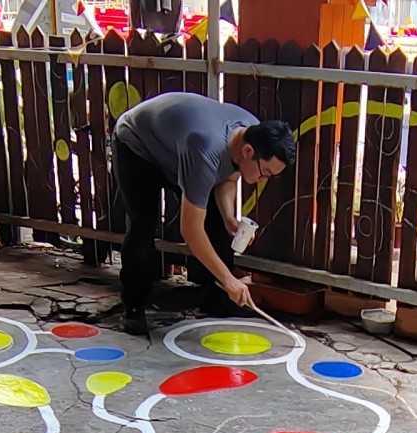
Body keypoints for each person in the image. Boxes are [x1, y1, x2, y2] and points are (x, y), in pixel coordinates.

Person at [110, 92, 297, 335]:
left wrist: (229, 216)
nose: (264, 180)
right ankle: (133, 305)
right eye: (265, 173)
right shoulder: (205, 149)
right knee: (142, 224)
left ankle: (216, 296)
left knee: (218, 222)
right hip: (137, 145)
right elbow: (190, 230)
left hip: (177, 147)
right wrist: (231, 279)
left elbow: (229, 175)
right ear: (249, 152)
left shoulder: (250, 131)